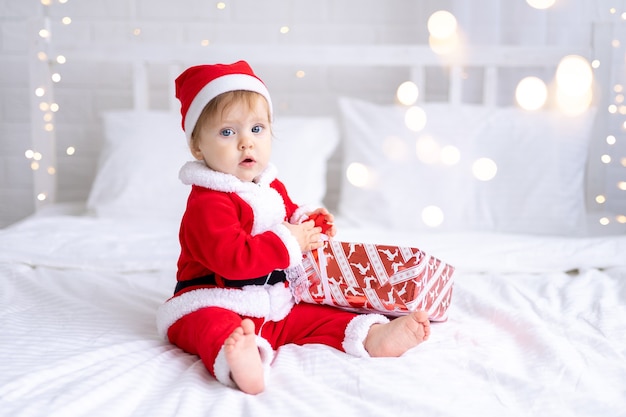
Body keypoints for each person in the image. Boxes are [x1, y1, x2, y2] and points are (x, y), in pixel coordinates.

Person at [156, 61, 431, 395]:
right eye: (228, 132)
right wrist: (289, 240)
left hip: (272, 301)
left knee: (318, 316)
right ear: (197, 147)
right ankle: (240, 359)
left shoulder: (268, 187)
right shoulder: (207, 202)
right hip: (214, 298)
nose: (246, 143)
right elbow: (231, 257)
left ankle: (371, 335)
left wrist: (310, 224)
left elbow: (288, 216)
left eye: (257, 129)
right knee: (210, 327)